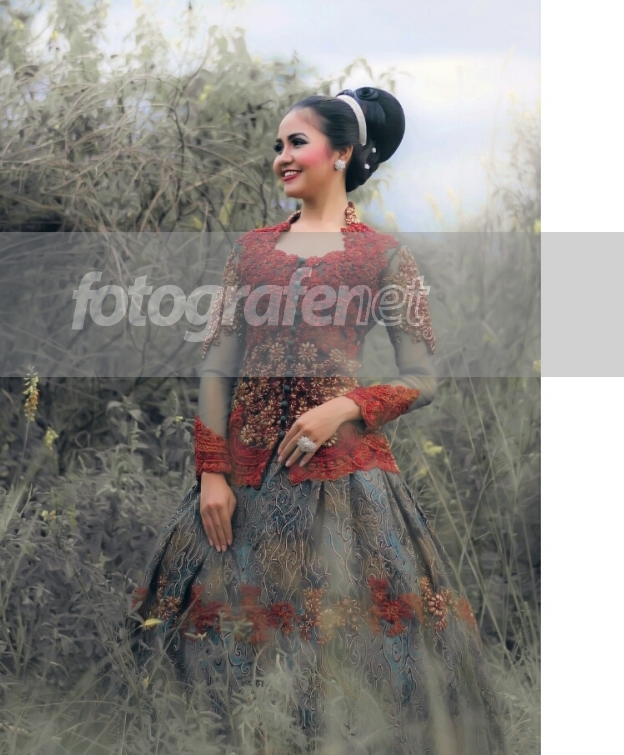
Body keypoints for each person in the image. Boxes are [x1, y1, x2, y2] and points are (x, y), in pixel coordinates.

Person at [130, 88, 504, 754]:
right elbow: (216, 367)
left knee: (349, 656)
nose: (281, 156)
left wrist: (346, 406)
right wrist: (212, 474)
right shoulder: (251, 251)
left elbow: (422, 378)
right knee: (211, 653)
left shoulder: (384, 257)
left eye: (296, 142)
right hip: (243, 482)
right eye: (277, 145)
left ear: (342, 154)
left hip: (343, 481)